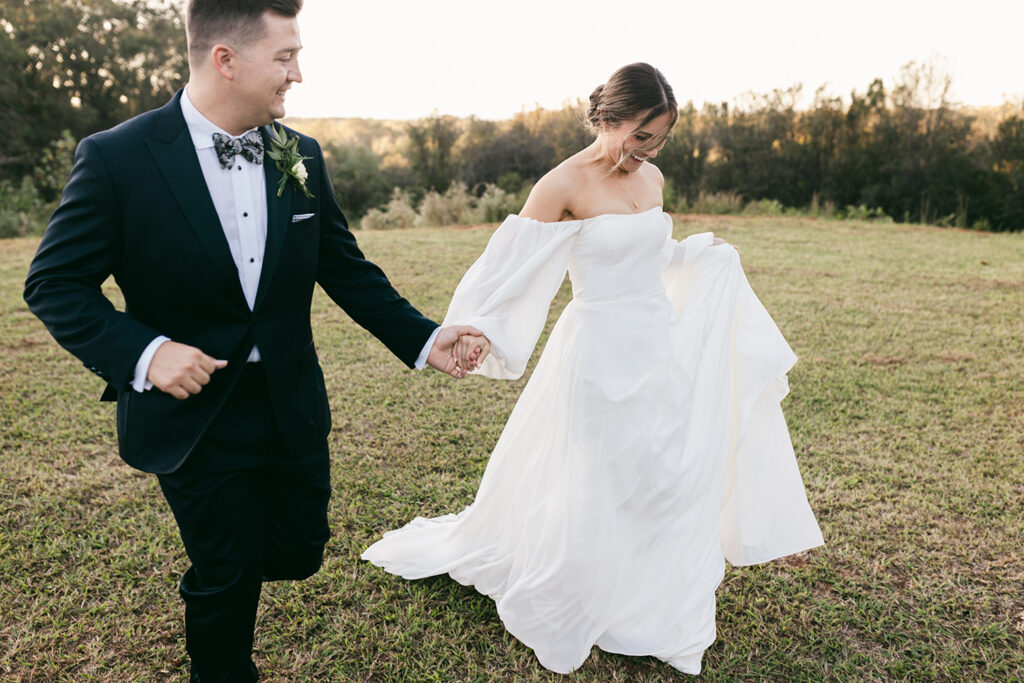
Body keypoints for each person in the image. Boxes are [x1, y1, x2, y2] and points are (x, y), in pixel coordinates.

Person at [23, 1, 482, 680]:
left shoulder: (299, 155)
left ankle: (241, 553)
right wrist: (147, 352)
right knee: (225, 570)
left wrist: (425, 337)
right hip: (196, 409)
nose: (298, 73)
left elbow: (344, 268)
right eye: (285, 55)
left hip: (289, 397)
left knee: (299, 549)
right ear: (226, 60)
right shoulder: (118, 159)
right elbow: (54, 283)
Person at [362, 63, 825, 675]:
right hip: (598, 349)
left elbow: (652, 254)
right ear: (606, 118)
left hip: (657, 340)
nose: (649, 152)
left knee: (658, 469)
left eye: (659, 139)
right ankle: (582, 590)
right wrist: (474, 329)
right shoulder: (562, 184)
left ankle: (645, 593)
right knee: (598, 471)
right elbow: (507, 266)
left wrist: (697, 254)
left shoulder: (653, 178)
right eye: (640, 136)